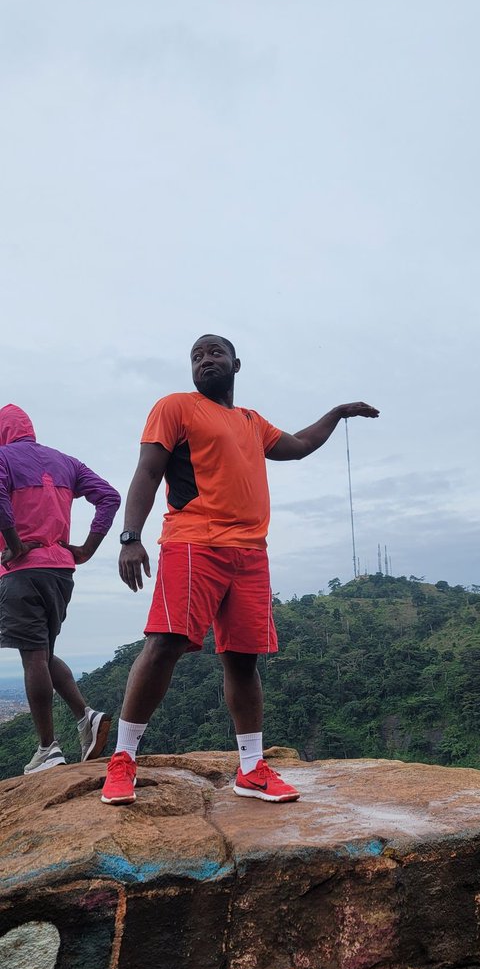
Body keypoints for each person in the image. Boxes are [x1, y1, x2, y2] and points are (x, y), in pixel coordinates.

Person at [100, 334, 379, 806]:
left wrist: (337, 412)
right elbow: (147, 472)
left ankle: (251, 767)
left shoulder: (250, 420)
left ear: (236, 363)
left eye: (214, 353)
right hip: (193, 541)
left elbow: (298, 445)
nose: (205, 359)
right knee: (165, 641)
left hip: (250, 552)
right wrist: (130, 536)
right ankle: (123, 759)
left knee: (243, 657)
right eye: (196, 355)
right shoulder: (175, 407)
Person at [0, 404, 121, 773]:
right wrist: (86, 549)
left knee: (32, 656)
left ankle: (47, 748)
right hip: (61, 572)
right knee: (44, 650)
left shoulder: (3, 458)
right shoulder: (66, 462)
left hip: (23, 571)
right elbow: (110, 497)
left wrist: (15, 544)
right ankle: (86, 717)